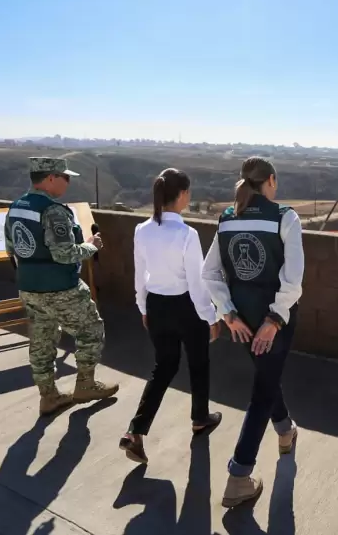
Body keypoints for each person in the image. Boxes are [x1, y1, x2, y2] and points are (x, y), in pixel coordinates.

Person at [202, 156, 304, 508]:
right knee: (262, 390)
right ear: (271, 180)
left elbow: (210, 273)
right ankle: (239, 476)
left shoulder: (227, 218)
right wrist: (274, 321)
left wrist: (228, 314)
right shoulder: (285, 217)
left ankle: (286, 430)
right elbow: (293, 279)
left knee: (266, 377)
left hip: (242, 320)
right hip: (272, 321)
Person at [119, 168, 223, 464]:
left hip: (156, 305)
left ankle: (136, 430)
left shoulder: (142, 229)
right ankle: (200, 418)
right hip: (186, 307)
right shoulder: (187, 234)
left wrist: (143, 307)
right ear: (182, 195)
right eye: (188, 192)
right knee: (198, 363)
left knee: (163, 367)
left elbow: (141, 274)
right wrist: (211, 316)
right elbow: (196, 282)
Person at [5, 157, 119, 417]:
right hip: (60, 287)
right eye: (65, 177)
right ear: (50, 178)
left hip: (29, 287)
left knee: (42, 340)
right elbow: (64, 254)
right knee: (91, 330)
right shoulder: (53, 211)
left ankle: (48, 396)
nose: (68, 182)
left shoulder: (16, 208)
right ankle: (86, 385)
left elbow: (11, 249)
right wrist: (92, 246)